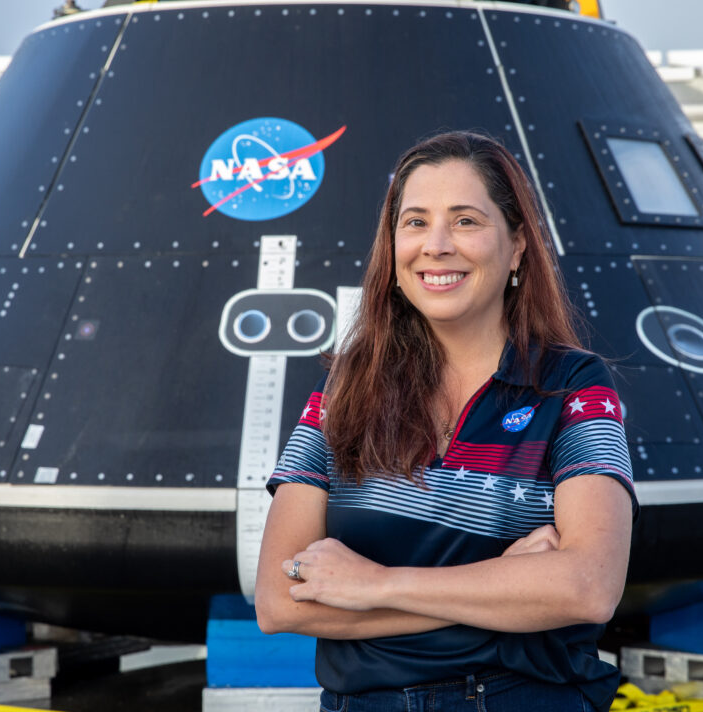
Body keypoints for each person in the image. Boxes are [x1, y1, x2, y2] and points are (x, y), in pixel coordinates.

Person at [255, 131, 637, 712]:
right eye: (415, 222)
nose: (435, 246)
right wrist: (504, 588)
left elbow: (587, 589)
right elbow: (279, 601)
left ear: (516, 248)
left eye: (465, 221)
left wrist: (374, 586)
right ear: (392, 247)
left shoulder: (573, 386)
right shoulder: (344, 388)